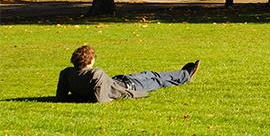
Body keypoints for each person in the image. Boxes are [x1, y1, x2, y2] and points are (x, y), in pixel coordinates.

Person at [57, 45, 198, 103]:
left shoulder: (67, 73)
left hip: (119, 80)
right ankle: (185, 75)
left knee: (149, 73)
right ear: (91, 60)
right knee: (156, 79)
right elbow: (101, 99)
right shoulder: (95, 73)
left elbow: (61, 96)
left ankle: (182, 74)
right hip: (129, 86)